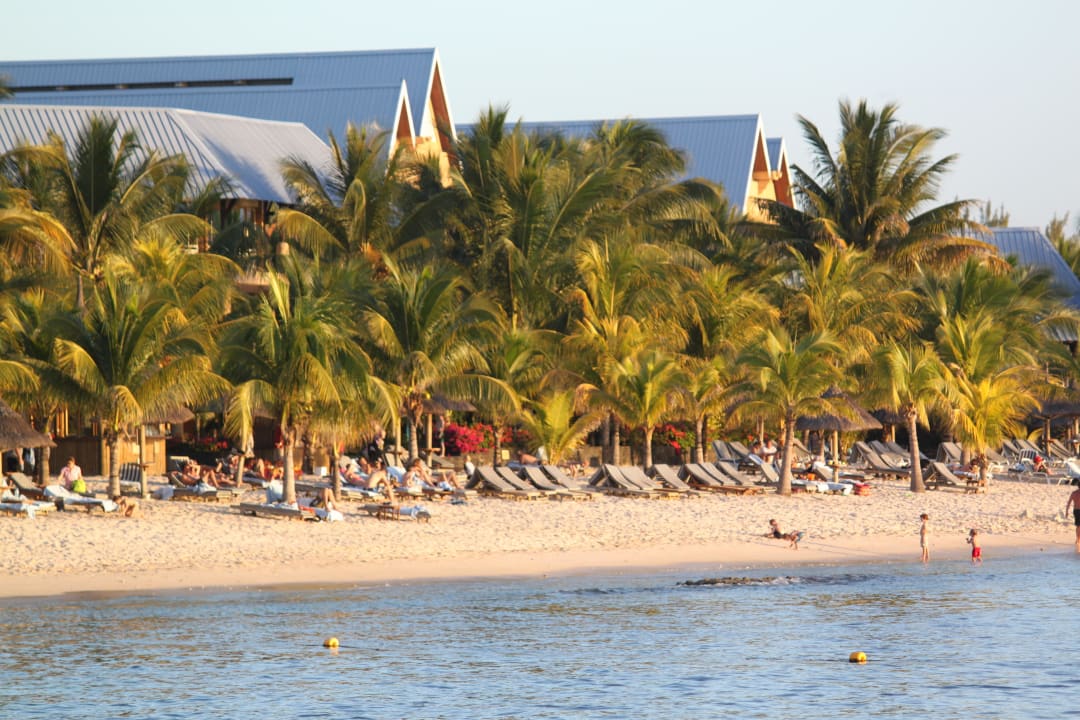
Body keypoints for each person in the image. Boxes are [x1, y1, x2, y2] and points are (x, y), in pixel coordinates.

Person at [1065, 485, 1080, 553]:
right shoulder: (1074, 493)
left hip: (1076, 510)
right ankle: (1078, 539)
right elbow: (1069, 502)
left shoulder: (1074, 493)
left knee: (1078, 526)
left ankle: (1077, 539)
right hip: (1077, 510)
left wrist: (1067, 511)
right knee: (1078, 526)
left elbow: (1069, 502)